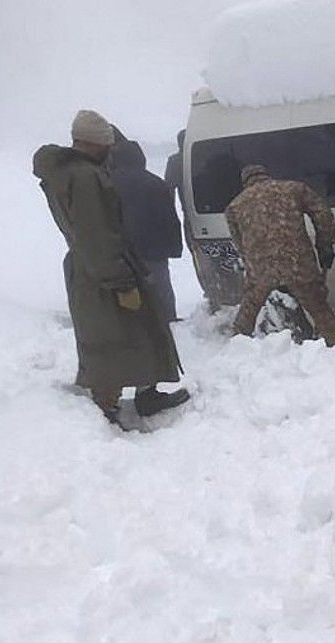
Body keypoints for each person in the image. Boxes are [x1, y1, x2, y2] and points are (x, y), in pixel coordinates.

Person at [33, 110, 189, 425]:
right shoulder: (86, 177)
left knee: (125, 332)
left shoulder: (66, 173)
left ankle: (142, 394)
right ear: (95, 143)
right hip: (103, 271)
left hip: (90, 268)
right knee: (114, 337)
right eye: (106, 143)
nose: (110, 150)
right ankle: (107, 406)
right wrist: (121, 282)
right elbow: (97, 234)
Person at [224, 164, 335, 346]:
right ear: (266, 175)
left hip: (261, 270)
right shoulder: (293, 189)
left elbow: (240, 244)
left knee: (248, 312)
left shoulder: (235, 206)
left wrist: (255, 263)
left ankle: (236, 349)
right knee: (320, 310)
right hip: (298, 263)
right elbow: (322, 212)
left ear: (245, 182)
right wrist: (325, 245)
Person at [165, 130, 244, 311]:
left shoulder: (177, 162)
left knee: (206, 261)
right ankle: (235, 295)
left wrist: (171, 221)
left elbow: (168, 191)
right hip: (230, 214)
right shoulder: (217, 157)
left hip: (196, 220)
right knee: (233, 257)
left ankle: (217, 299)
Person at [110, 139, 183, 322]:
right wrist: (174, 247)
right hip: (153, 250)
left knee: (127, 291)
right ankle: (167, 321)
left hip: (121, 252)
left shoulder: (108, 183)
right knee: (160, 289)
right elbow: (169, 218)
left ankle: (133, 324)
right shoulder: (155, 183)